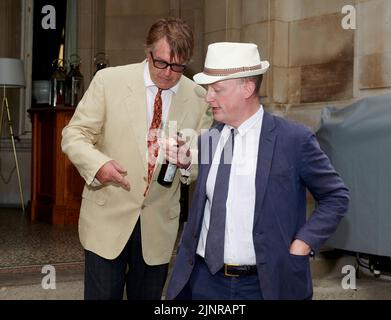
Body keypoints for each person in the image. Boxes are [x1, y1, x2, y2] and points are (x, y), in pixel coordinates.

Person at [166, 42, 350, 300]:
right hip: (204, 282)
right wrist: (186, 162)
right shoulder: (210, 138)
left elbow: (336, 196)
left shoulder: (292, 139)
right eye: (208, 89)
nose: (208, 97)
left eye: (217, 89)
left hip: (265, 285)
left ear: (248, 88)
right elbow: (215, 193)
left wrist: (303, 243)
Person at [61, 17, 213, 300]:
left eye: (178, 66)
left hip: (158, 227)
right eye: (162, 63)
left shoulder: (199, 97)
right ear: (148, 51)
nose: (169, 73)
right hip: (106, 219)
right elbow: (74, 134)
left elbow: (202, 158)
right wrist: (99, 165)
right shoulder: (109, 81)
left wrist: (186, 161)